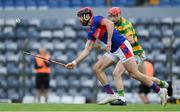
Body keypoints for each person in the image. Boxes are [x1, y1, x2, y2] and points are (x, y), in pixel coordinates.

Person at [65, 7, 168, 106]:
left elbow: (110, 24)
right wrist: (74, 62)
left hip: (122, 46)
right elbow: (86, 50)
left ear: (87, 16)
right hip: (114, 50)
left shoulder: (96, 19)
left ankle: (160, 91)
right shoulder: (91, 31)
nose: (79, 19)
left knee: (134, 74)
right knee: (97, 68)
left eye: (80, 17)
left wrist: (108, 42)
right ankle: (111, 94)